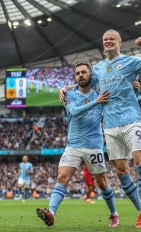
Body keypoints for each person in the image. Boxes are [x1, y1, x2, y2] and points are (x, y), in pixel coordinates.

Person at [60, 30, 141, 229]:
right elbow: (82, 82)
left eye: (112, 39)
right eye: (105, 39)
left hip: (131, 120)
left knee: (140, 163)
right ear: (103, 44)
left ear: (120, 42)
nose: (108, 41)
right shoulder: (99, 68)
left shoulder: (130, 62)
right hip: (109, 125)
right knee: (120, 171)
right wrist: (66, 88)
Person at [37, 62, 119, 228]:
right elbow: (74, 112)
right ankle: (51, 213)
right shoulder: (70, 95)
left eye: (83, 72)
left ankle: (113, 214)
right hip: (73, 144)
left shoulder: (99, 91)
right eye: (77, 73)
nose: (80, 75)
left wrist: (133, 86)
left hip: (94, 145)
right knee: (62, 177)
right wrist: (95, 101)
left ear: (90, 75)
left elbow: (114, 82)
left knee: (102, 183)